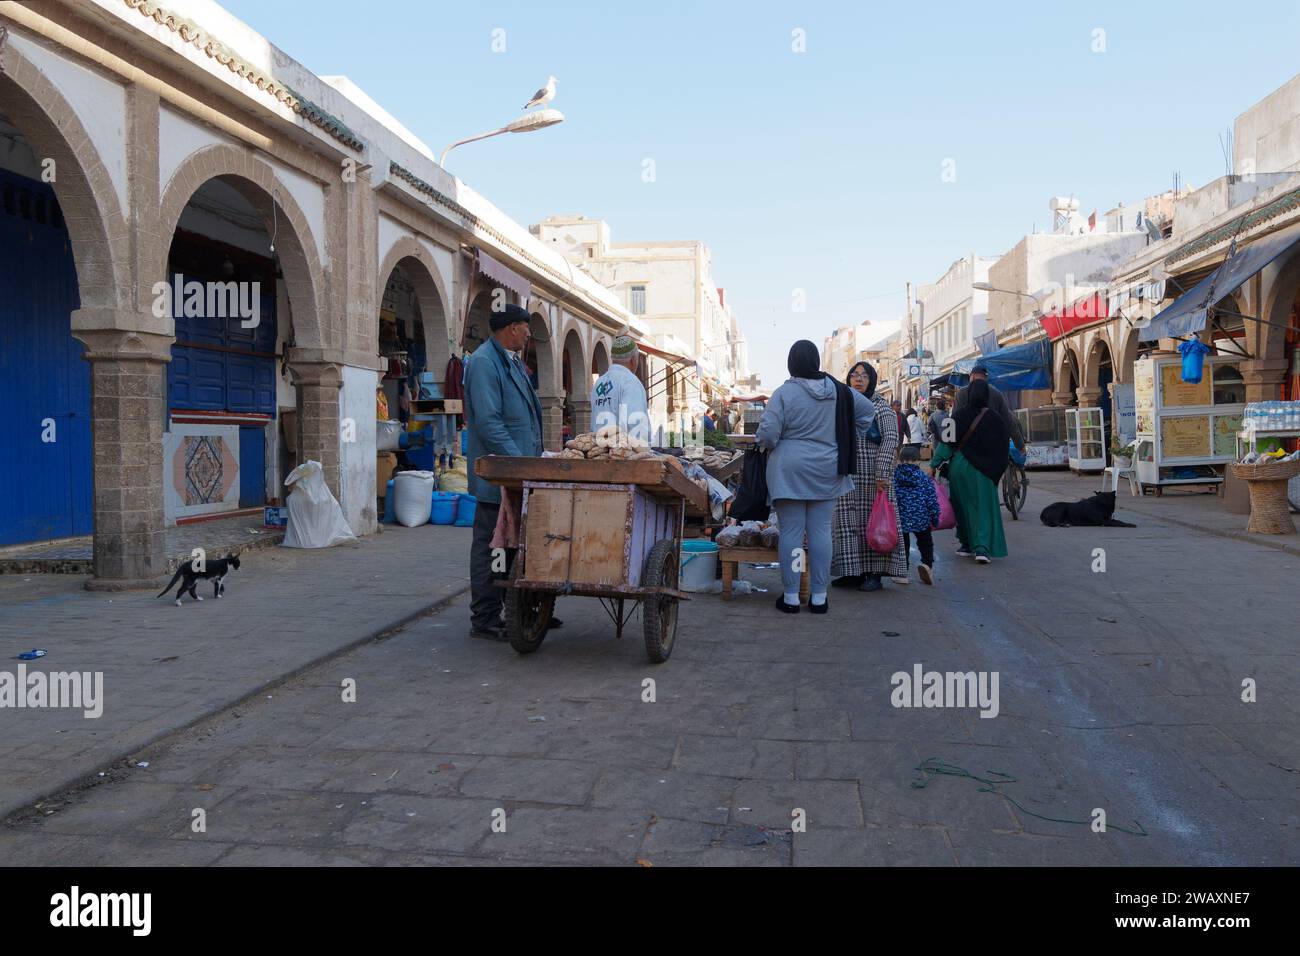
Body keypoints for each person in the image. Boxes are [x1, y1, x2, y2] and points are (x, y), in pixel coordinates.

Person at [756, 341, 876, 614]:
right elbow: (867, 412)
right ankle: (819, 597)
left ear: (791, 363)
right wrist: (846, 436)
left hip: (789, 470)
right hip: (828, 468)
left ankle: (790, 597)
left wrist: (771, 443)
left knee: (792, 533)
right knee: (821, 532)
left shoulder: (784, 393)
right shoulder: (839, 390)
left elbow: (767, 433)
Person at [463, 303, 547, 641]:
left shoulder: (509, 361)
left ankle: (519, 610)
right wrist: (518, 464)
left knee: (514, 546)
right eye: (525, 327)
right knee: (492, 548)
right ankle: (484, 618)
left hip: (517, 476)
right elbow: (488, 422)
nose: (528, 333)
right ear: (511, 328)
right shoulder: (484, 362)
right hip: (498, 477)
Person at [832, 362, 907, 591]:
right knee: (847, 523)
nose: (859, 379)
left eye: (864, 376)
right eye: (854, 375)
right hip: (847, 473)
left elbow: (891, 439)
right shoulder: (842, 404)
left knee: (874, 523)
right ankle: (851, 572)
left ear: (871, 380)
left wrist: (882, 473)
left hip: (874, 476)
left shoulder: (880, 406)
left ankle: (874, 573)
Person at [930, 378, 1010, 564]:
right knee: (983, 507)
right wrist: (996, 470)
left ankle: (966, 544)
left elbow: (945, 445)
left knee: (962, 506)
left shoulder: (956, 416)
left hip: (960, 468)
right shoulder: (996, 420)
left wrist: (934, 464)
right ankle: (981, 548)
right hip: (985, 471)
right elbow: (1003, 448)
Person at [894, 444, 940, 585]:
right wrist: (935, 517)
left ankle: (902, 574)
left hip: (901, 518)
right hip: (921, 518)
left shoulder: (894, 477)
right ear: (918, 461)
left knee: (903, 545)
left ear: (900, 461)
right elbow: (932, 499)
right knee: (925, 542)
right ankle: (927, 565)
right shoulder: (923, 478)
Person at [590, 334, 650, 444]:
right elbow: (636, 422)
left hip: (598, 450)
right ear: (633, 360)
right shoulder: (630, 382)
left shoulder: (599, 383)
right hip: (622, 454)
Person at [954, 365, 1024, 451]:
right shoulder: (996, 394)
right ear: (986, 378)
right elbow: (1009, 421)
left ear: (972, 376)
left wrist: (951, 446)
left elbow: (955, 420)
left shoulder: (961, 393)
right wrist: (1020, 446)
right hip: (992, 446)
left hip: (969, 447)